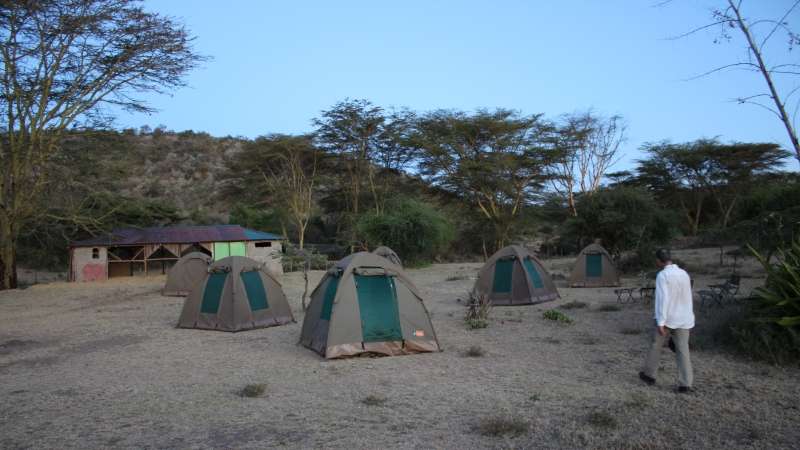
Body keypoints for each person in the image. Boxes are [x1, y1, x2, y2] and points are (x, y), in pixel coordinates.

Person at [639, 248, 695, 393]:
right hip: (684, 318)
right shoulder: (684, 273)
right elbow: (688, 297)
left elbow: (662, 300)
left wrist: (661, 322)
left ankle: (649, 375)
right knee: (683, 350)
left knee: (655, 345)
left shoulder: (662, 275)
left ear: (659, 260)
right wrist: (690, 318)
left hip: (668, 318)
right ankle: (686, 383)